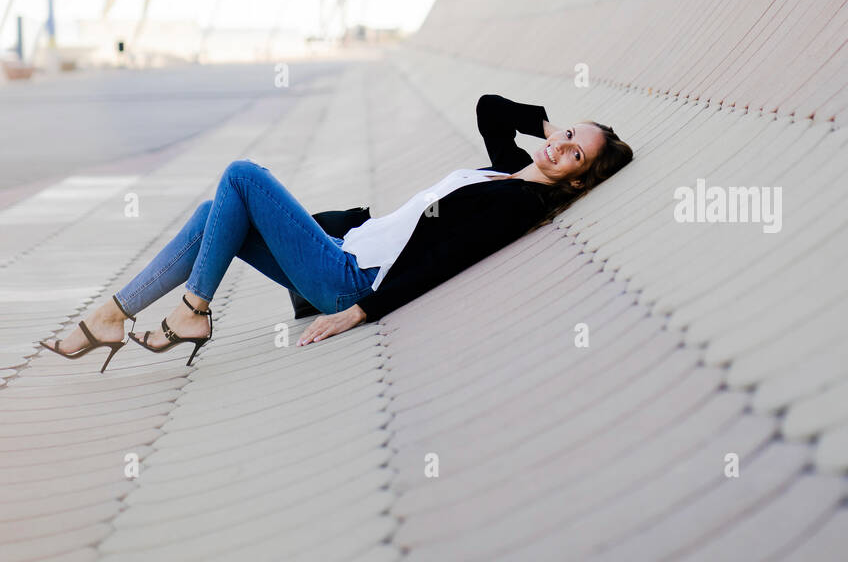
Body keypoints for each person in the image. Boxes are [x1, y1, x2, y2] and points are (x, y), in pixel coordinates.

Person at [38, 94, 632, 368]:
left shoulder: (518, 202)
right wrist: (551, 127)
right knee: (208, 214)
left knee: (242, 176)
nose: (559, 148)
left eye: (575, 155)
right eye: (566, 136)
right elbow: (487, 108)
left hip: (350, 279)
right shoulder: (506, 168)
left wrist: (362, 311)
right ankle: (113, 316)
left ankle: (194, 309)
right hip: (341, 252)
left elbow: (447, 257)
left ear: (578, 182)